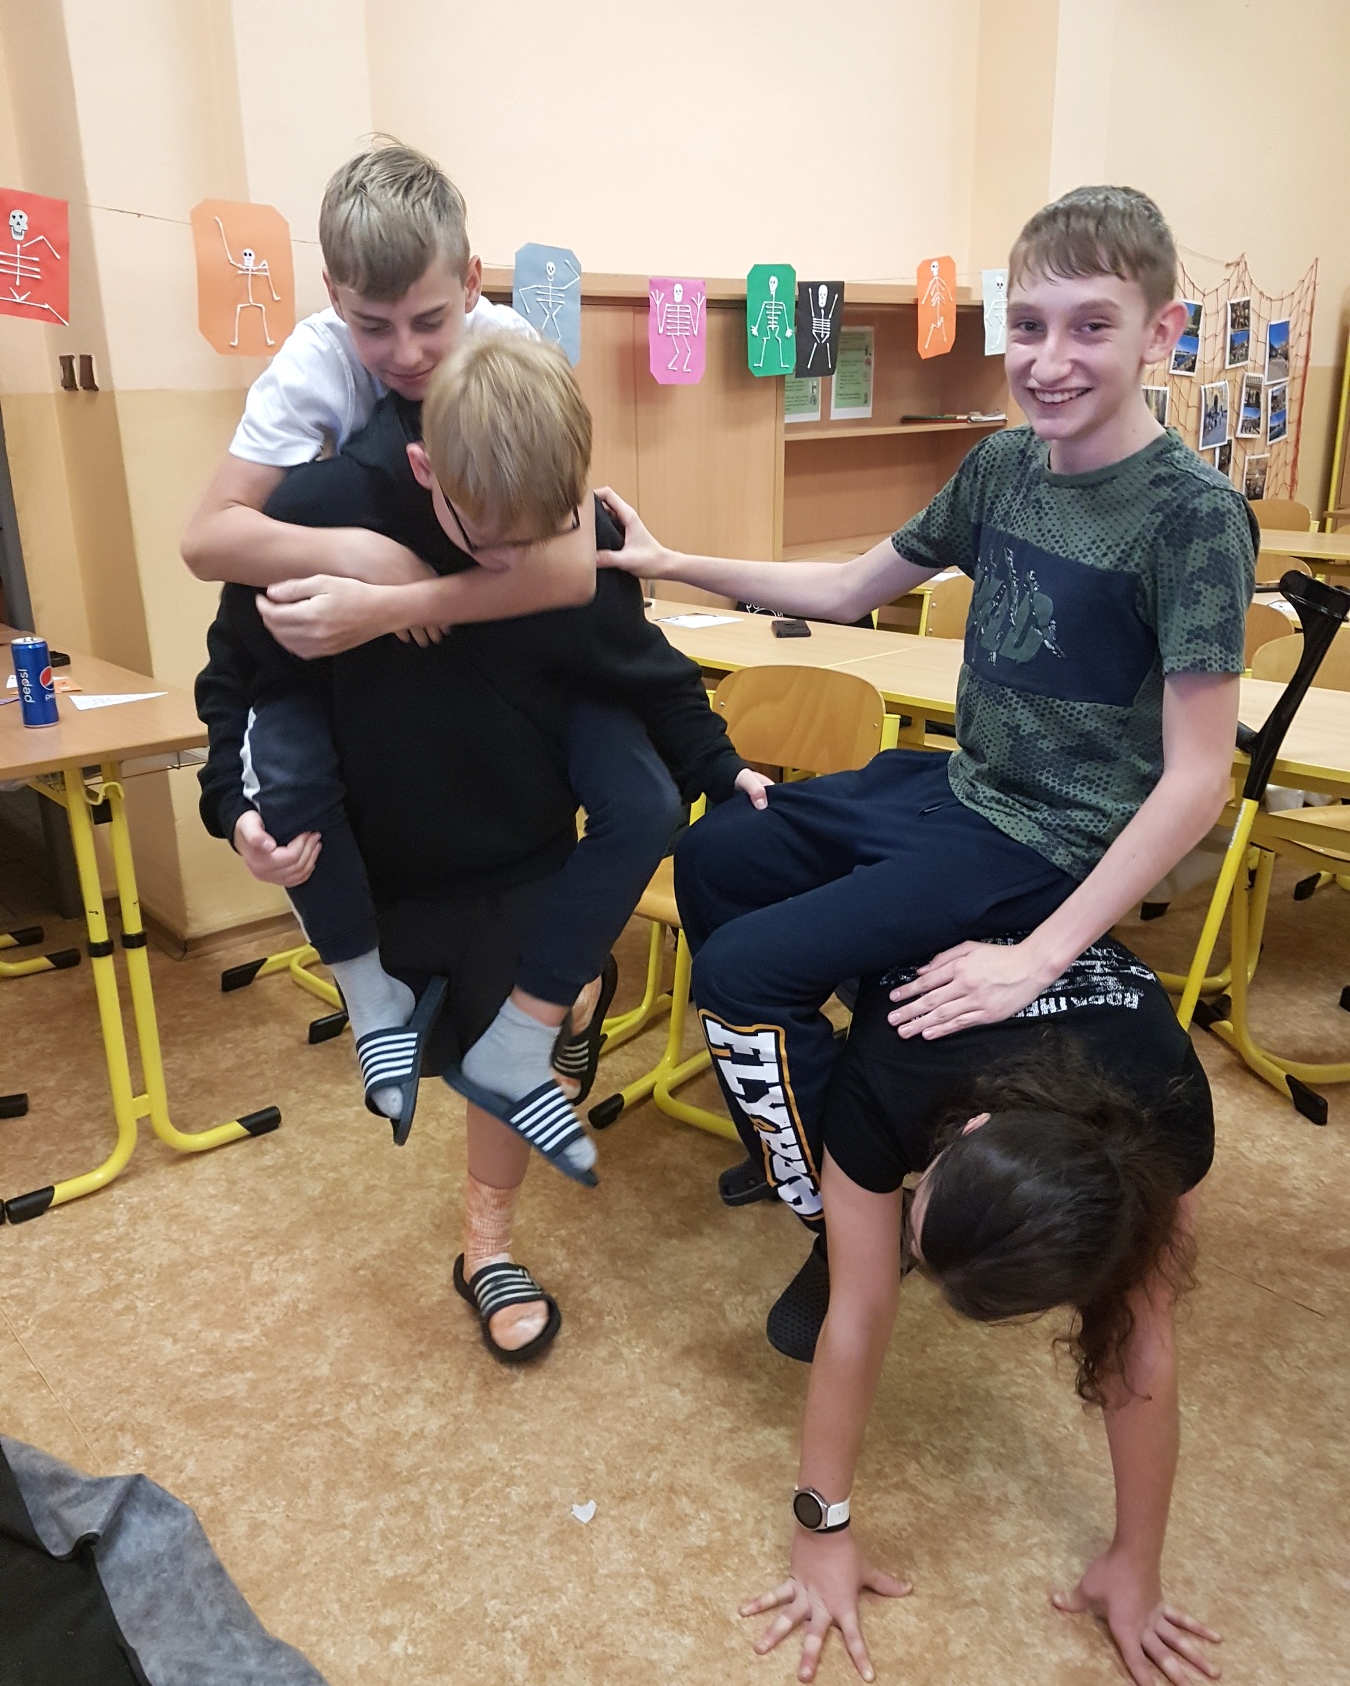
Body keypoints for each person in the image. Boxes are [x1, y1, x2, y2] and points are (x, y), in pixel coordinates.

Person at [595, 184, 1255, 1248]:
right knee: (716, 857)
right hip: (954, 788)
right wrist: (668, 560)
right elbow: (848, 587)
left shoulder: (1193, 517)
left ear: (1159, 333)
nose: (1050, 360)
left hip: (1054, 840)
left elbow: (1197, 779)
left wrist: (1041, 955)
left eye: (1091, 327)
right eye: (1028, 327)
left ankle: (845, 1216)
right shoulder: (1001, 464)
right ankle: (809, 1129)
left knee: (741, 971)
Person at [196, 332, 768, 1362]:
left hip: (519, 847)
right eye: (489, 538)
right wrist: (231, 806)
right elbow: (238, 672)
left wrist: (721, 768)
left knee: (503, 1059)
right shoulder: (321, 507)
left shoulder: (573, 532)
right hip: (385, 849)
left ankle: (487, 1249)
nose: (514, 565)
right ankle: (578, 994)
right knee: (449, 1042)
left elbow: (639, 665)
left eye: (541, 537)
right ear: (428, 473)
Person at [182, 141, 685, 1139]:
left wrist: (399, 601)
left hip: (513, 670)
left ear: (472, 283)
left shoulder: (510, 346)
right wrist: (369, 557)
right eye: (373, 325)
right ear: (334, 297)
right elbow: (208, 543)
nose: (407, 353)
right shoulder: (314, 370)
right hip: (396, 678)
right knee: (310, 785)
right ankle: (384, 992)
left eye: (429, 321)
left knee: (636, 806)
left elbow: (565, 571)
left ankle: (565, 993)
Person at [740, 933, 1223, 1686]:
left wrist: (1138, 1558)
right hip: (935, 914)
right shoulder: (887, 1079)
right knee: (853, 1261)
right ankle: (862, 1223)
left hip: (1117, 1046)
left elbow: (1141, 1336)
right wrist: (818, 1531)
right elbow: (858, 1311)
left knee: (1141, 1310)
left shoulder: (1171, 1112)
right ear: (969, 1128)